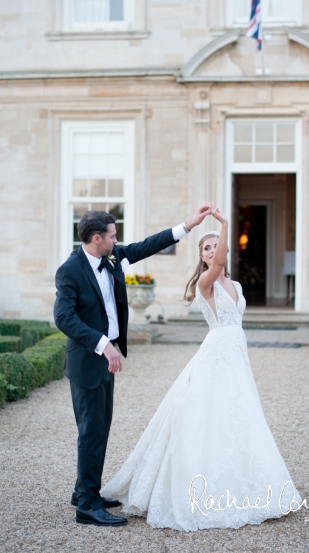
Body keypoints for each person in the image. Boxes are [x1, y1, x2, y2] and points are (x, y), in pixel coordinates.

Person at [100, 206, 302, 531]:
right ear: (203, 257)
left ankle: (247, 478)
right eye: (206, 248)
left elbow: (229, 280)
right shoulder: (206, 283)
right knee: (208, 415)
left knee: (240, 413)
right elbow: (221, 262)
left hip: (237, 353)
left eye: (214, 245)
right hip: (218, 351)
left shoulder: (234, 284)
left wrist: (221, 229)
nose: (212, 251)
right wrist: (224, 223)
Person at [53, 204, 214, 527]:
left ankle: (84, 490)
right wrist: (104, 345)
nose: (117, 240)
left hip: (106, 359)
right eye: (113, 236)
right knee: (91, 433)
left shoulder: (111, 257)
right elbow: (63, 318)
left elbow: (146, 246)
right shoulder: (69, 270)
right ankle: (86, 505)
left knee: (100, 428)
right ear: (97, 238)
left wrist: (188, 225)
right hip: (88, 361)